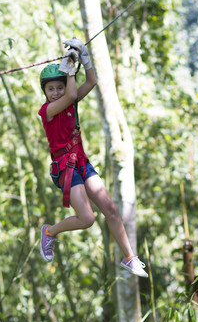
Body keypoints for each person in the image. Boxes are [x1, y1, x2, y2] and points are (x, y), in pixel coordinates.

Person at [38, 38, 148, 278]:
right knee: (87, 218)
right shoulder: (48, 111)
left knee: (110, 209)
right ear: (45, 92)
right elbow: (71, 94)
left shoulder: (70, 100)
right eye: (51, 89)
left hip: (81, 162)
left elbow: (92, 81)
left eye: (59, 87)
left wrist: (84, 58)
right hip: (64, 169)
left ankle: (129, 257)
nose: (56, 93)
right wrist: (68, 70)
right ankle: (50, 232)